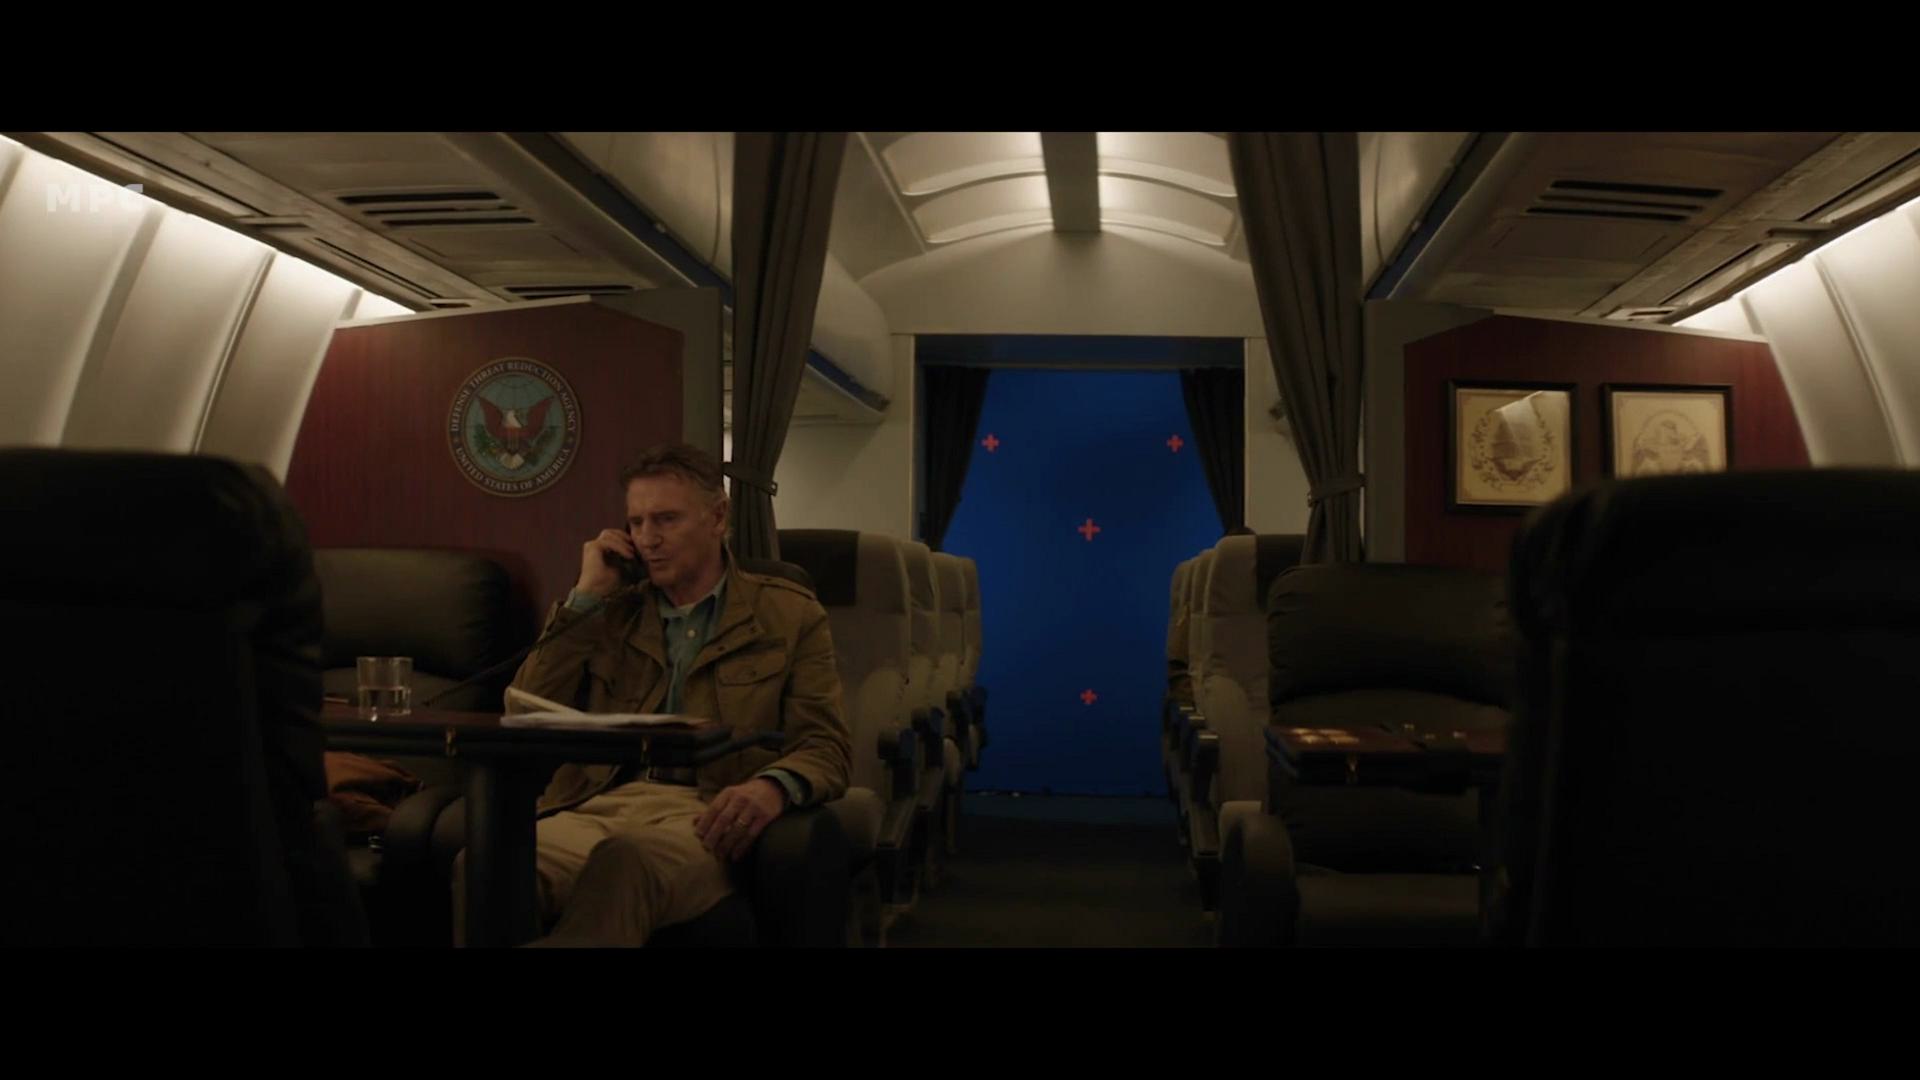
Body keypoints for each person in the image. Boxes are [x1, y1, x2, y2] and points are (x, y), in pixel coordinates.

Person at [456, 443, 849, 946]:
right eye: (636, 523)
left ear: (718, 517)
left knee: (625, 860)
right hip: (598, 801)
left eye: (666, 520)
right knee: (486, 864)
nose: (648, 539)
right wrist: (586, 598)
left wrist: (772, 787)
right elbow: (524, 709)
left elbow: (827, 746)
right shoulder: (611, 610)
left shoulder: (789, 615)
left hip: (704, 813)